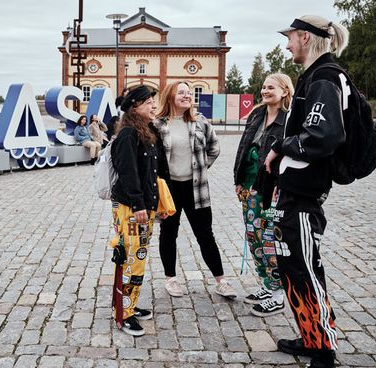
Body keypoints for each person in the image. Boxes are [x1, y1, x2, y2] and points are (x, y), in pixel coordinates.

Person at [264, 15, 351, 368]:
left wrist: (282, 146)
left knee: (305, 270)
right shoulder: (316, 76)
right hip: (295, 191)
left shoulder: (324, 78)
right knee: (294, 269)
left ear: (305, 37)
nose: (287, 45)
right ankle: (311, 338)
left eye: (290, 39)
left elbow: (324, 135)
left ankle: (324, 350)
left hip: (304, 194)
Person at [154, 81, 236, 298]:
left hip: (195, 188)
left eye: (189, 93)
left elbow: (214, 148)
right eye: (181, 92)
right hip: (169, 190)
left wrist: (199, 168)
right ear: (170, 96)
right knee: (168, 233)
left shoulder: (201, 122)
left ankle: (222, 280)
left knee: (205, 234)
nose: (187, 95)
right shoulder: (157, 124)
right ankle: (170, 279)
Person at [109, 85, 169, 336]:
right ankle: (124, 313)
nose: (154, 106)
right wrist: (138, 205)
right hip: (131, 207)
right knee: (132, 258)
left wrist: (160, 204)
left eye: (153, 102)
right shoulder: (128, 135)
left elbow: (156, 173)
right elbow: (128, 172)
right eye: (148, 102)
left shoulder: (148, 131)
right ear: (134, 106)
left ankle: (127, 304)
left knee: (137, 257)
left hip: (145, 206)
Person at [233, 73, 294, 317]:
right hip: (249, 186)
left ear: (284, 91)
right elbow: (243, 147)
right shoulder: (257, 115)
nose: (265, 91)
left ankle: (278, 294)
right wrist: (238, 180)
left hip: (273, 190)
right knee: (253, 236)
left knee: (270, 238)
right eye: (264, 87)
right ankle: (267, 285)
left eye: (271, 87)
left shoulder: (290, 119)